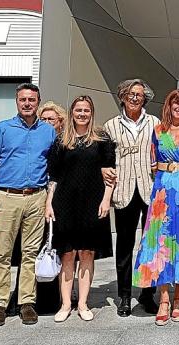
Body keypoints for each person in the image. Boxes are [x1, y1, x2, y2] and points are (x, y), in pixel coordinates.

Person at [0, 83, 56, 327]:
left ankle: (26, 302)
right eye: (22, 99)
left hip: (36, 197)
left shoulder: (48, 131)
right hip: (7, 196)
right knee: (2, 252)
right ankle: (0, 303)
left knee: (30, 253)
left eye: (31, 100)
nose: (27, 103)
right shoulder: (3, 129)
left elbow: (54, 166)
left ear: (38, 102)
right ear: (17, 101)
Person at [46, 95, 115, 322]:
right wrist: (49, 203)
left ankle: (83, 303)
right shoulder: (61, 141)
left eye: (86, 110)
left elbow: (110, 174)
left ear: (91, 112)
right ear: (72, 112)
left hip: (93, 202)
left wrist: (106, 200)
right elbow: (53, 177)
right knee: (67, 254)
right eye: (78, 110)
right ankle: (66, 304)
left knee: (87, 253)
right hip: (64, 203)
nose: (82, 114)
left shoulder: (102, 139)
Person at [132, 89, 179, 326]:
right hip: (162, 189)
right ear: (169, 106)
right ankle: (163, 299)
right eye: (176, 103)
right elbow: (151, 162)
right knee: (160, 242)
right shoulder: (158, 131)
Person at [103, 79, 159, 317]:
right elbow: (105, 160)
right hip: (124, 191)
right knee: (124, 245)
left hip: (149, 190)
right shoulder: (111, 126)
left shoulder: (155, 123)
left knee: (151, 244)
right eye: (130, 94)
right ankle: (125, 295)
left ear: (144, 98)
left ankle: (148, 293)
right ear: (122, 97)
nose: (135, 98)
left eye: (138, 94)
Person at [7, 100, 67, 317]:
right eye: (44, 119)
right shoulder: (35, 139)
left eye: (53, 119)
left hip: (58, 201)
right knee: (27, 250)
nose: (48, 122)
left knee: (53, 249)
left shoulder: (64, 142)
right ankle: (22, 297)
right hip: (35, 198)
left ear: (60, 122)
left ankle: (53, 298)